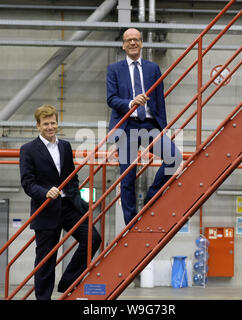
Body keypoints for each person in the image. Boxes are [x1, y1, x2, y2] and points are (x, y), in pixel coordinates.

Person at [19, 104, 101, 300]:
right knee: (46, 261)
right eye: (45, 124)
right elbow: (27, 183)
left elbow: (71, 177)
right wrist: (45, 192)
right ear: (38, 126)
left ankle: (68, 282)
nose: (50, 127)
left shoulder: (64, 146)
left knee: (93, 239)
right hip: (46, 208)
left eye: (53, 123)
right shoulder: (28, 150)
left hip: (68, 206)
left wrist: (79, 200)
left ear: (57, 123)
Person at [106, 28, 182, 225]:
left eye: (136, 40)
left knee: (173, 157)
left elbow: (159, 99)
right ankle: (131, 222)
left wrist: (162, 127)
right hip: (126, 124)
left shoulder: (152, 68)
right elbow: (111, 99)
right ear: (123, 45)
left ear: (141, 43)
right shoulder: (114, 69)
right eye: (128, 40)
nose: (132, 43)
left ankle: (151, 199)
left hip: (149, 125)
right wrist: (131, 103)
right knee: (128, 178)